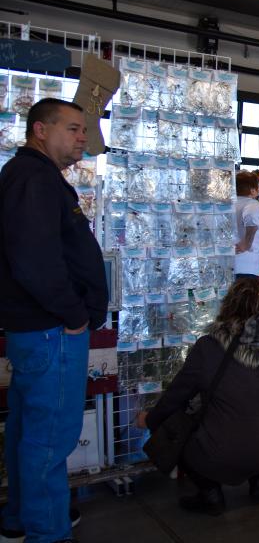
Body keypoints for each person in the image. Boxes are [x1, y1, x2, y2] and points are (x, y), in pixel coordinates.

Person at [0, 99, 108, 543]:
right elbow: (34, 259)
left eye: (84, 129)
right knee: (49, 440)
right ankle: (48, 533)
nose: (83, 136)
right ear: (40, 131)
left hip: (39, 328)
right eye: (74, 128)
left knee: (29, 429)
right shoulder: (34, 179)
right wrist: (74, 315)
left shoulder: (34, 177)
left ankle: (21, 518)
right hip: (52, 331)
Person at [136, 279, 259, 515]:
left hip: (223, 452)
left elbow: (176, 395)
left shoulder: (209, 346)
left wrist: (150, 420)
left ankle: (210, 494)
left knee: (178, 432)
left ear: (227, 304)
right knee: (253, 414)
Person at [233, 170, 259, 279]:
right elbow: (252, 220)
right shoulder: (252, 204)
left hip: (231, 264)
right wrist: (246, 243)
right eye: (257, 187)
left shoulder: (231, 204)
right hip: (248, 266)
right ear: (252, 190)